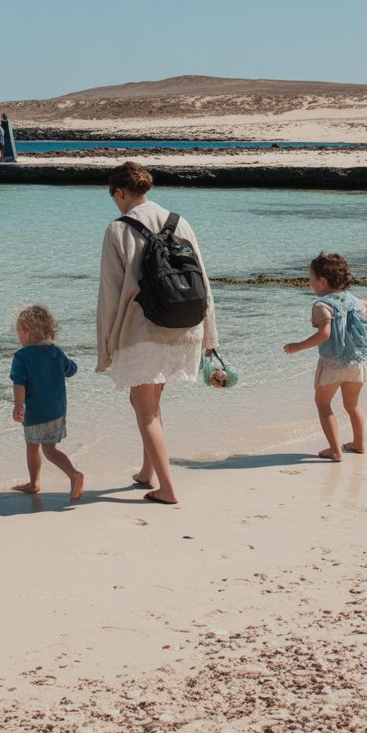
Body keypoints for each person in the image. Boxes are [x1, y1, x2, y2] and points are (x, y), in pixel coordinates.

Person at [95, 161, 220, 505]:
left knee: (144, 406)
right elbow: (203, 281)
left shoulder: (117, 229)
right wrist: (210, 336)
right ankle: (148, 471)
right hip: (185, 324)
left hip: (144, 329)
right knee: (148, 401)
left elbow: (109, 295)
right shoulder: (180, 222)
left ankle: (167, 488)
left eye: (115, 198)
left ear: (120, 193)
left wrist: (105, 347)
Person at [283, 252, 367, 461]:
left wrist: (298, 346)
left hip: (333, 363)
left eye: (311, 280)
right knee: (353, 406)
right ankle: (359, 444)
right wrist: (357, 307)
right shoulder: (354, 300)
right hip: (356, 361)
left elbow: (325, 334)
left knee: (323, 404)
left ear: (323, 281)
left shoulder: (321, 305)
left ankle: (335, 450)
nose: (310, 284)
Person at [10, 305, 84, 502]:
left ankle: (67, 476)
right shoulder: (56, 352)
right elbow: (72, 369)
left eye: (17, 331)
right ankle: (45, 480)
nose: (17, 335)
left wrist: (19, 406)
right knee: (49, 447)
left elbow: (19, 383)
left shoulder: (21, 357)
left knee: (36, 446)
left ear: (25, 332)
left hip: (35, 413)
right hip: (58, 411)